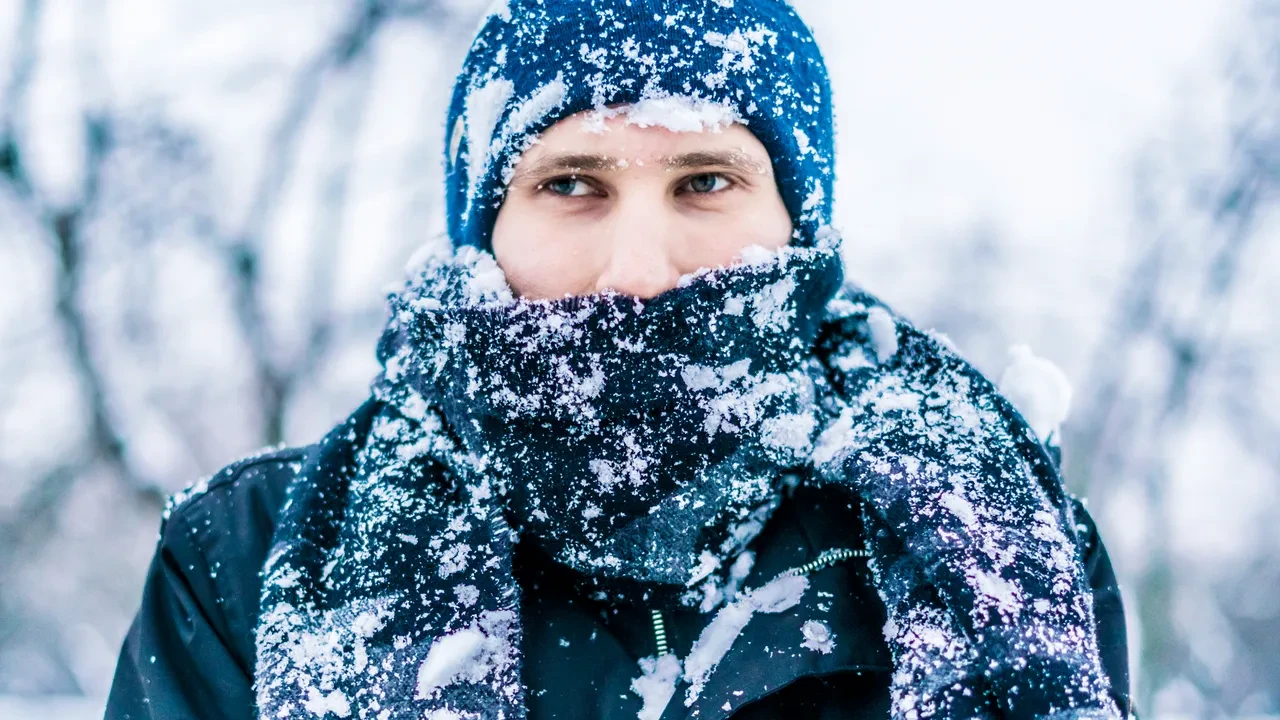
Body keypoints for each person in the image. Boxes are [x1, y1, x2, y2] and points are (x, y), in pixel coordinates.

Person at [105, 1, 1133, 718]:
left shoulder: (990, 541)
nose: (637, 268)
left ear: (795, 223)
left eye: (704, 182)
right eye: (568, 184)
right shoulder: (247, 558)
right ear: (483, 228)